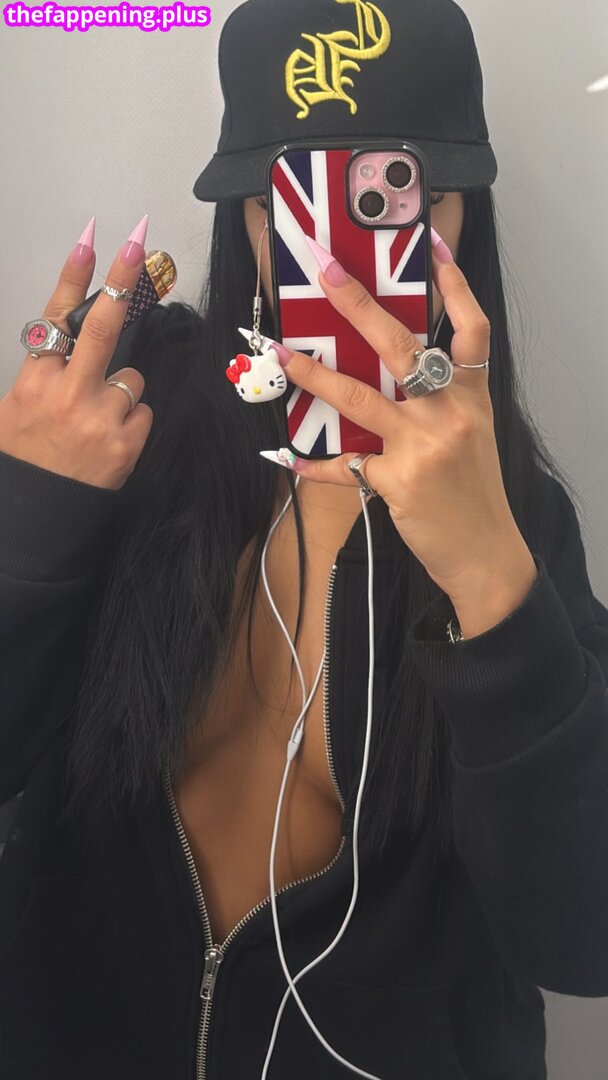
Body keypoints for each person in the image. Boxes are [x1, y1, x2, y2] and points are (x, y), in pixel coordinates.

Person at [1, 0, 607, 1077]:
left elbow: (581, 939)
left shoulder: (518, 524)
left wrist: (490, 580)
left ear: (462, 219)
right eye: (289, 205)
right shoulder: (128, 419)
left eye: (392, 201)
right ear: (244, 224)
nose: (340, 263)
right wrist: (27, 521)